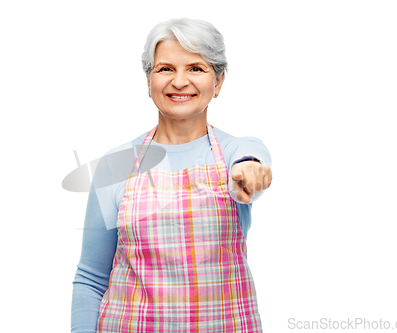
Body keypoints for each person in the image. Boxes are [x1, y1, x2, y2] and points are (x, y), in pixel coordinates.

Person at [71, 18, 272, 333]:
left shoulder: (236, 152)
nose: (179, 82)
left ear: (218, 82)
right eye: (165, 69)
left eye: (196, 68)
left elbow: (253, 160)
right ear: (148, 80)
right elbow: (91, 277)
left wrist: (250, 170)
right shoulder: (116, 164)